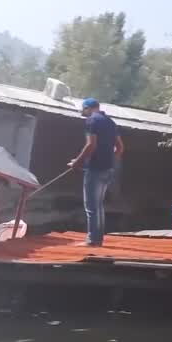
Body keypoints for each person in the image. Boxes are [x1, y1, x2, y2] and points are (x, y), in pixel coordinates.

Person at [67, 98, 124, 247]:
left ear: (88, 108)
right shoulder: (110, 122)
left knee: (92, 206)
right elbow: (120, 148)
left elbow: (91, 145)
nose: (83, 113)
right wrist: (109, 160)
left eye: (83, 110)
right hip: (108, 169)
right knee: (98, 206)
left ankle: (93, 240)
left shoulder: (91, 121)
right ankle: (97, 239)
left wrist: (77, 163)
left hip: (95, 169)